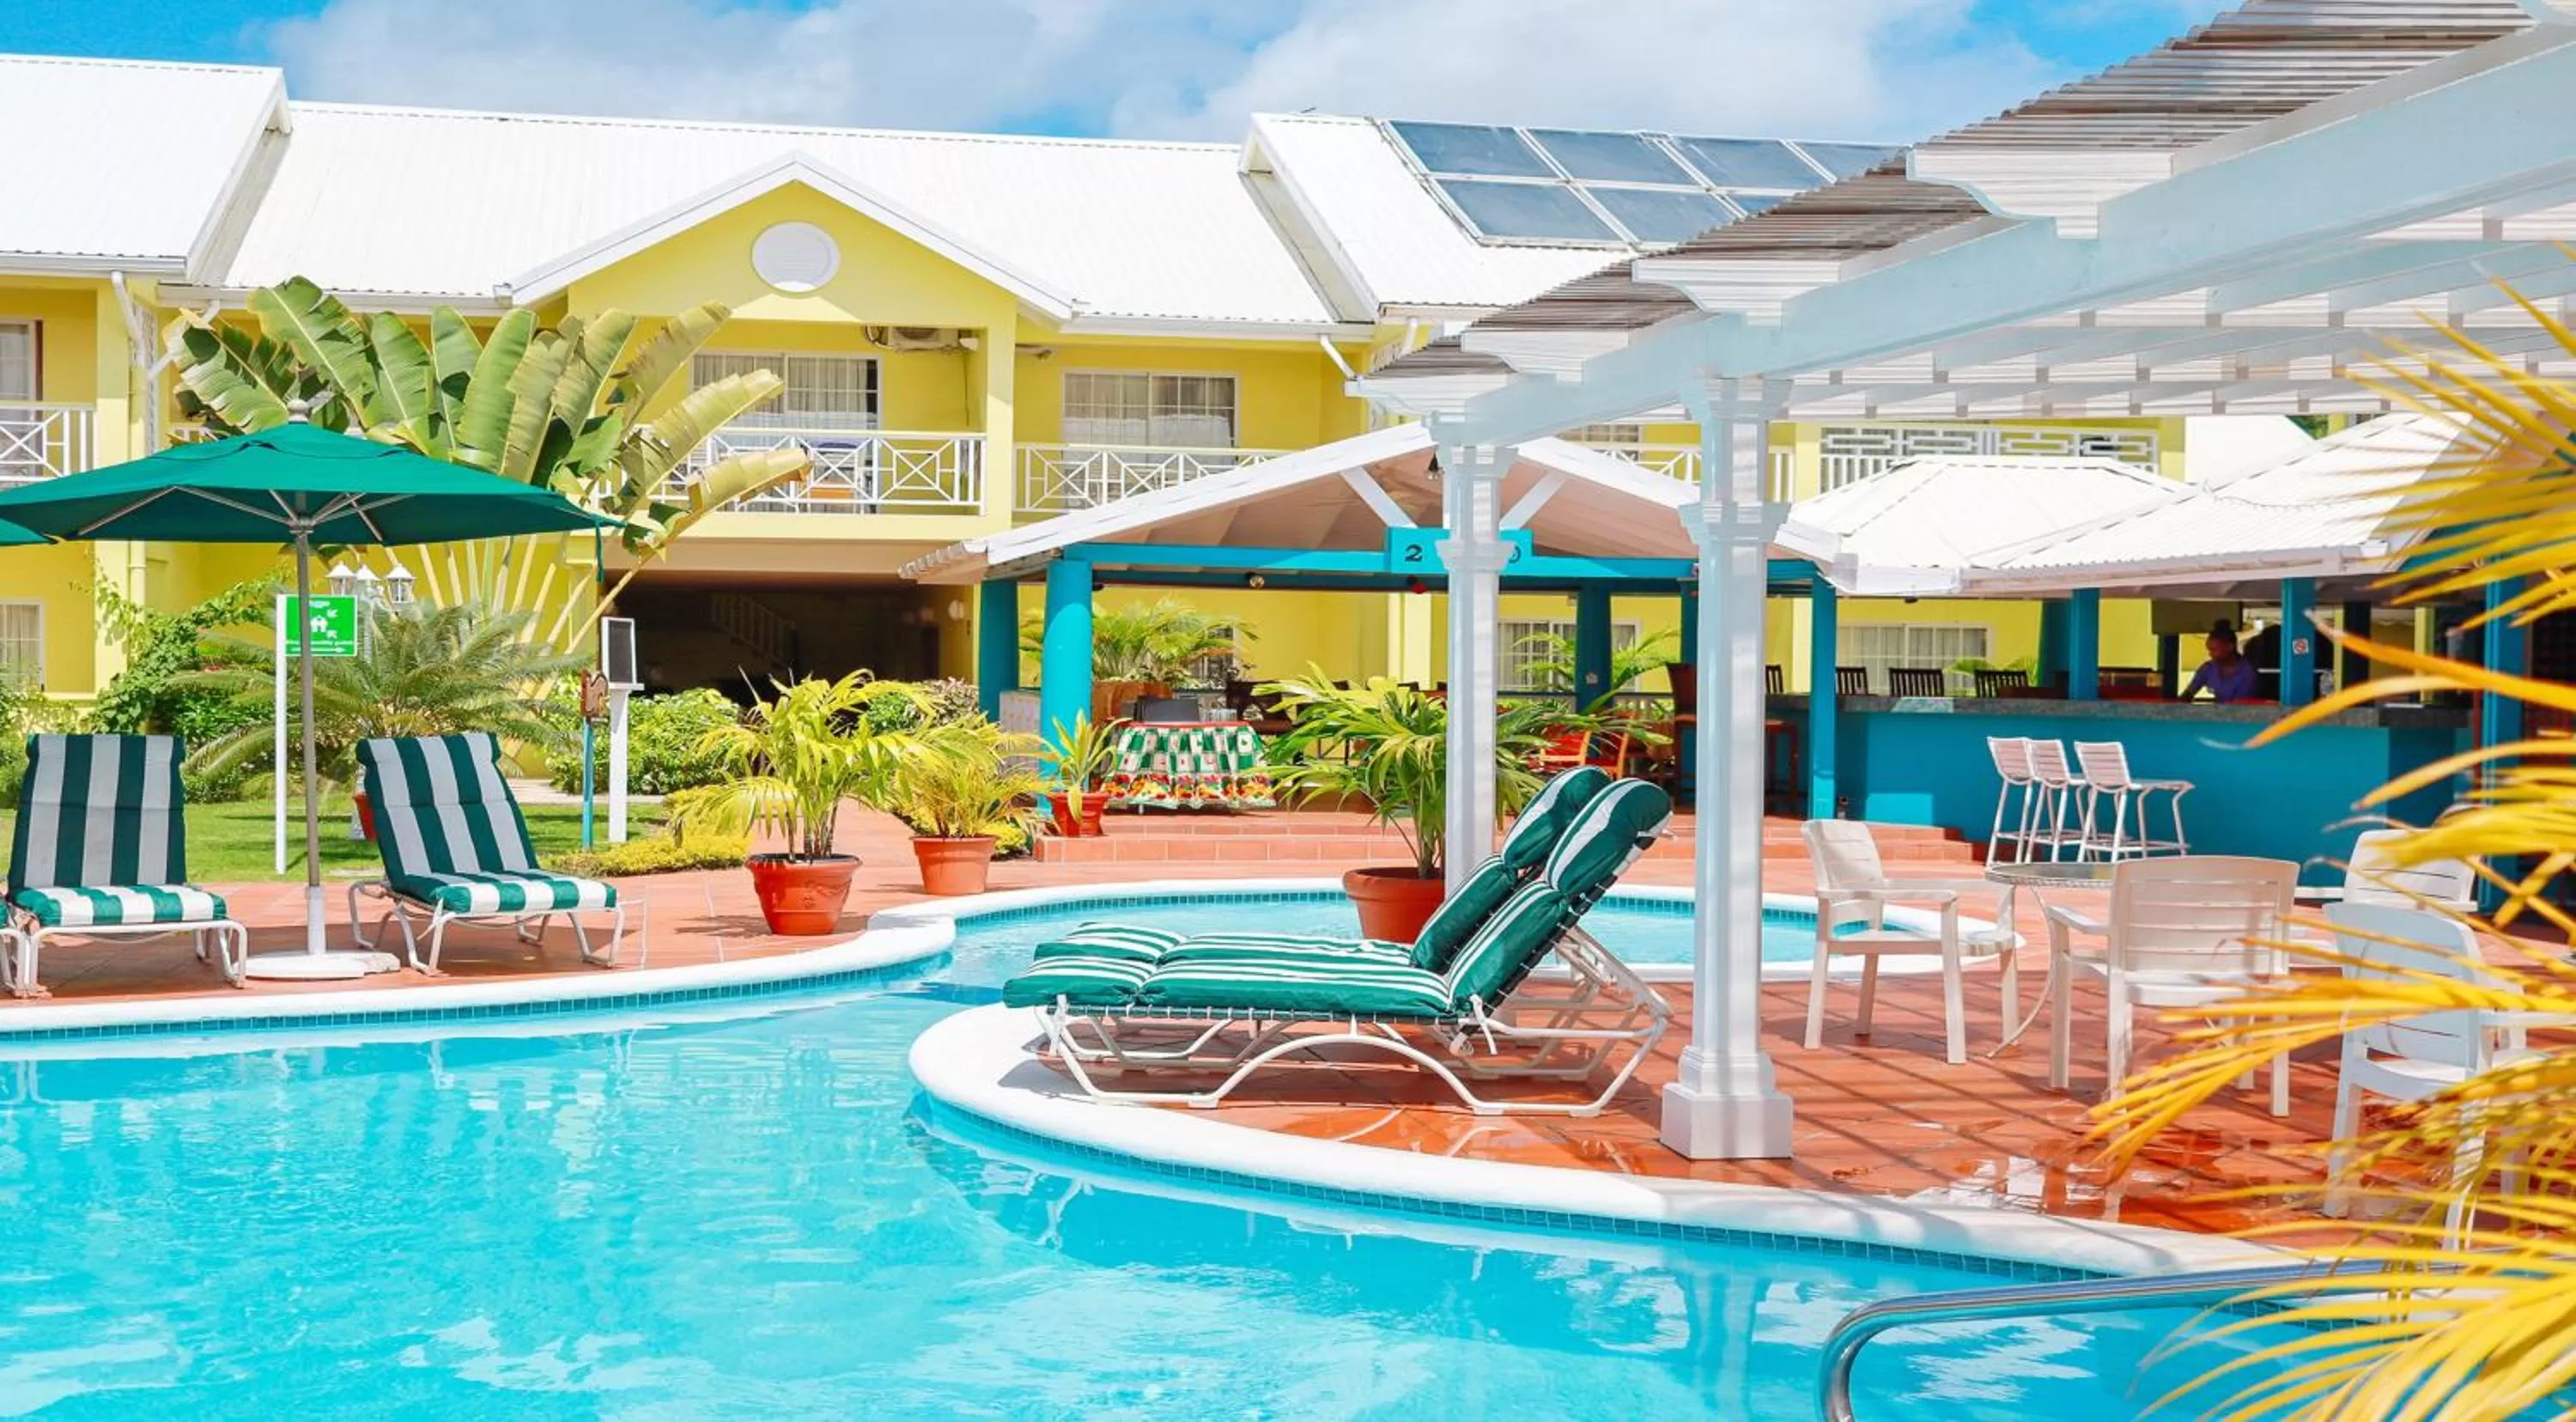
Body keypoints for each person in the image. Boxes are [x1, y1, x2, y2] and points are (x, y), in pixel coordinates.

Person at [2182, 621, 2261, 702]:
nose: (2210, 654)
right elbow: (2188, 693)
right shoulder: (2208, 668)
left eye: (2214, 650)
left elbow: (2241, 706)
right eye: (2209, 650)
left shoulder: (2248, 673)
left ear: (2229, 647)